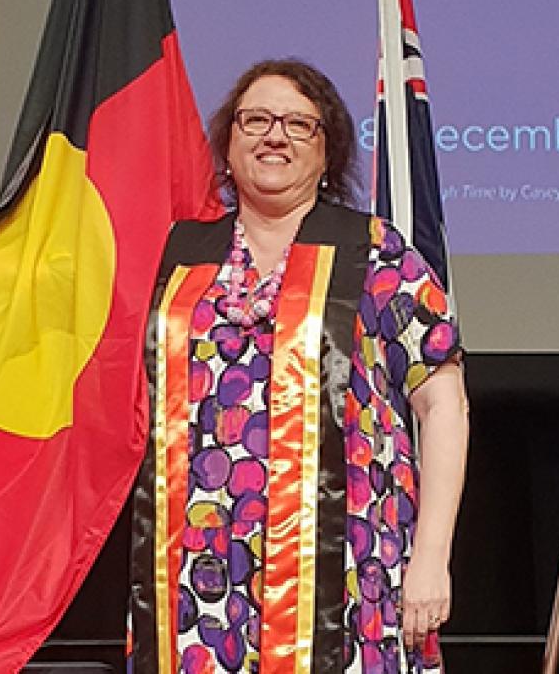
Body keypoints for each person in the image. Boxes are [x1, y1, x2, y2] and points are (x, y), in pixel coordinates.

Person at [128, 59, 469, 673]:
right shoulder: (181, 257)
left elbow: (443, 404)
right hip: (201, 583)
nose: (273, 135)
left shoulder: (375, 252)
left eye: (298, 124)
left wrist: (432, 555)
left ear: (328, 149)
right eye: (255, 119)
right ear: (229, 143)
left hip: (347, 571)